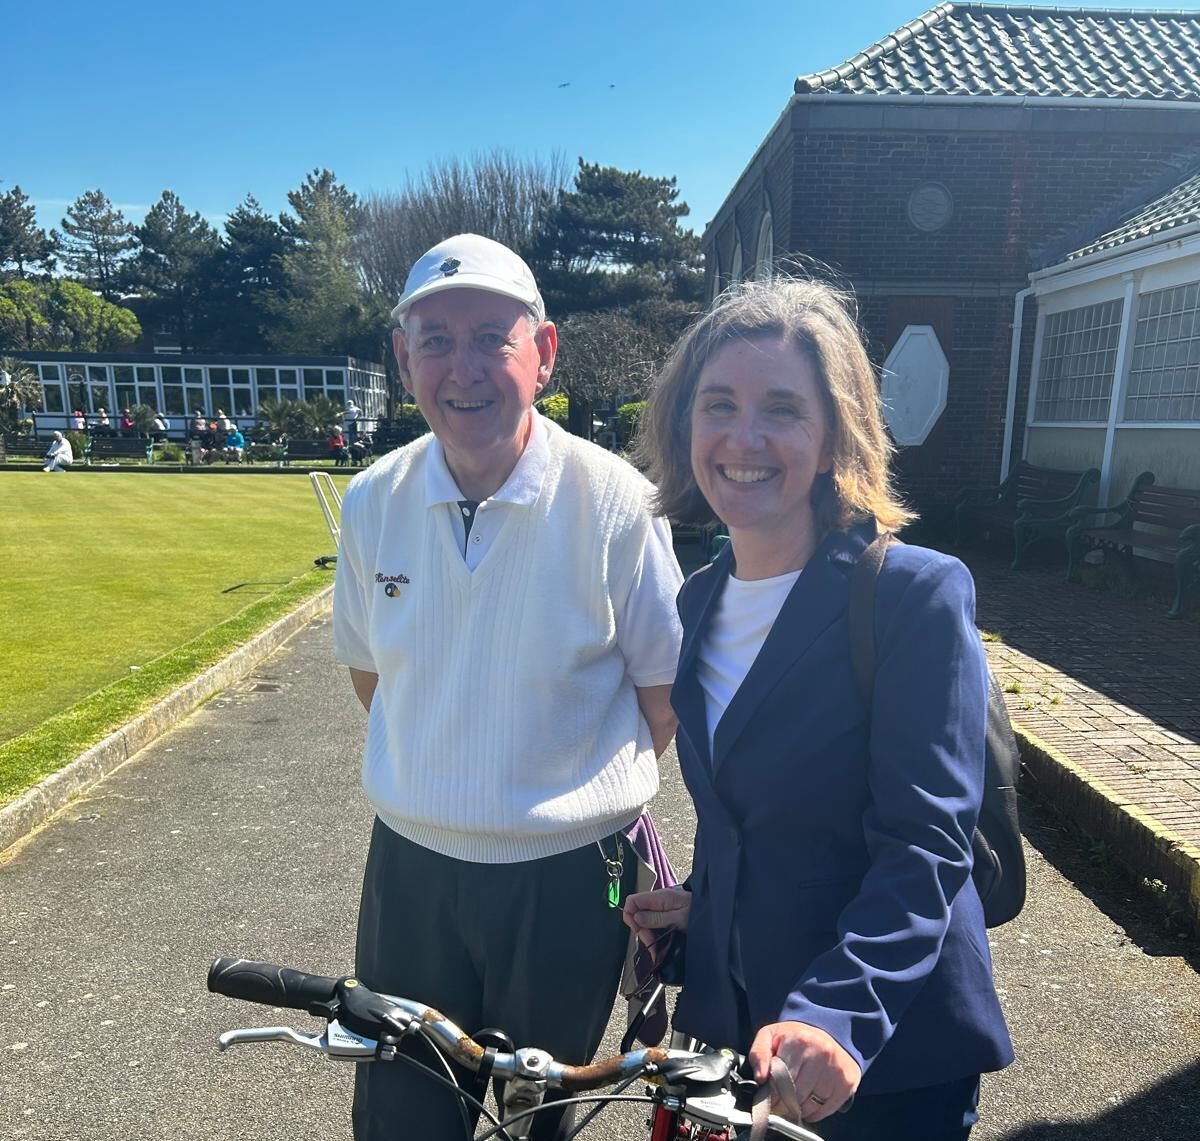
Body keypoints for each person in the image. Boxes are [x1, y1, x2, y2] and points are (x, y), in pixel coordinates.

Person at [624, 278, 1013, 1141]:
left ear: (836, 430)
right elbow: (752, 816)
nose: (744, 437)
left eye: (783, 409)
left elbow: (924, 846)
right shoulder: (700, 600)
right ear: (686, 423)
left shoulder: (914, 594)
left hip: (878, 1053)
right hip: (741, 1035)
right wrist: (704, 900)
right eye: (718, 403)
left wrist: (834, 1016)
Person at [332, 233, 684, 1141]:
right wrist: (455, 788)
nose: (464, 367)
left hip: (576, 875)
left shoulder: (617, 502)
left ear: (544, 351)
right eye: (436, 339)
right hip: (411, 869)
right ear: (404, 357)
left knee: (545, 1116)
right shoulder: (373, 499)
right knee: (405, 1118)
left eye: (493, 334)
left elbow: (662, 700)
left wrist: (553, 801)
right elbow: (378, 677)